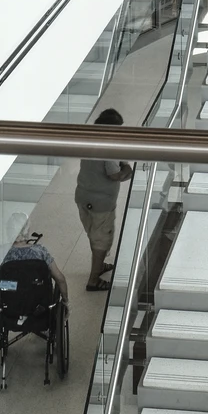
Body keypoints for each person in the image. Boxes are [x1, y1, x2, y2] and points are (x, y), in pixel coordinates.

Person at [74, 109, 134, 290]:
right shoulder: (110, 146)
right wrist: (127, 170)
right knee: (101, 241)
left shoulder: (88, 139)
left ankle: (99, 266)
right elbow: (114, 174)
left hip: (82, 197)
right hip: (102, 204)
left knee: (93, 234)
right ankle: (93, 280)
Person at [0, 227, 69, 307]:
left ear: (9, 232)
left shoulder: (0, 253)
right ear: (27, 231)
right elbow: (60, 279)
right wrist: (65, 302)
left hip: (8, 306)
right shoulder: (40, 251)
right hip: (39, 307)